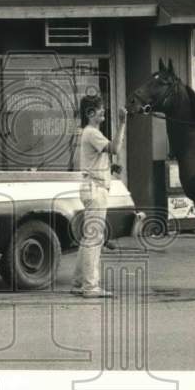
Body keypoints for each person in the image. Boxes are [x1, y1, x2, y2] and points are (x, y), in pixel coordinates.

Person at [71, 95, 127, 299]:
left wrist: (108, 167)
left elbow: (97, 158)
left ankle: (79, 282)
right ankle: (90, 286)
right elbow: (115, 148)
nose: (104, 112)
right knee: (94, 238)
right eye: (101, 109)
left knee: (89, 237)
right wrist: (122, 124)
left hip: (91, 186)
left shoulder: (89, 133)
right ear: (90, 113)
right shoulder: (92, 133)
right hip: (96, 189)